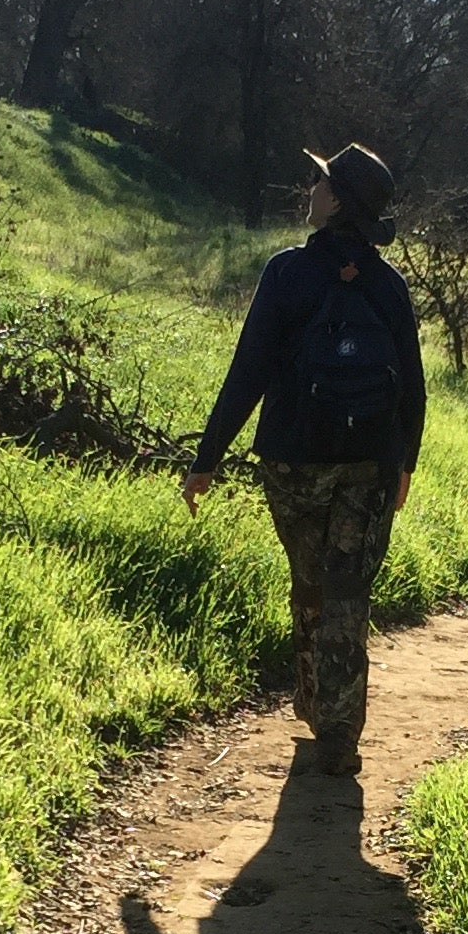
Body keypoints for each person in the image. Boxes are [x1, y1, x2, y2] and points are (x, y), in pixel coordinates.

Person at [180, 143, 427, 778]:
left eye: (320, 183)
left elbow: (248, 372)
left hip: (292, 461)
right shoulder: (389, 285)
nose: (311, 190)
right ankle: (338, 731)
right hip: (369, 463)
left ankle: (320, 703)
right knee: (349, 591)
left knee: (313, 580)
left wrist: (208, 458)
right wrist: (405, 465)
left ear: (338, 200)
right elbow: (413, 387)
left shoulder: (287, 273)